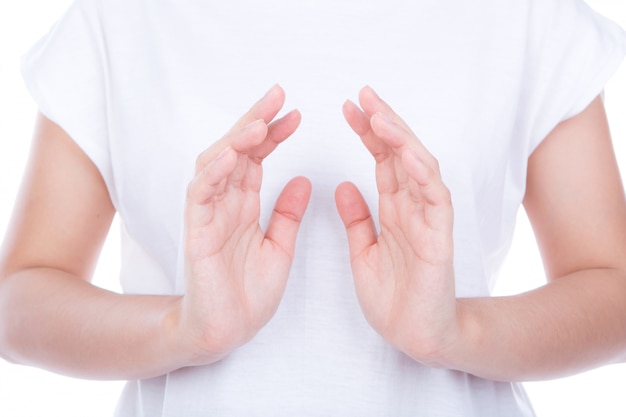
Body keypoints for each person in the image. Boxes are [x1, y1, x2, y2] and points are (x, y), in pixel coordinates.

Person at [1, 0, 626, 415]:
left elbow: (613, 290)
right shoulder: (121, 18)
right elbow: (19, 299)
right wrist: (184, 331)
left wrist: (455, 333)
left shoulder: (525, 15)